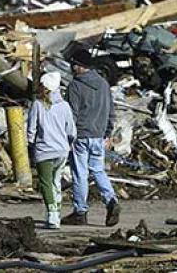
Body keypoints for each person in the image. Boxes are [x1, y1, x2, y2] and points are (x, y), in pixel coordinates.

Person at [62, 48, 120, 227]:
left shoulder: (75, 86)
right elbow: (111, 110)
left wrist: (68, 137)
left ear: (80, 66)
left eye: (74, 64)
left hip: (81, 136)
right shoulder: (103, 84)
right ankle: (111, 200)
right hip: (98, 136)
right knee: (98, 170)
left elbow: (72, 114)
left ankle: (80, 211)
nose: (71, 67)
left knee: (80, 174)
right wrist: (108, 134)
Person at [27, 71, 76, 229]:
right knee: (56, 181)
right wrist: (68, 143)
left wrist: (30, 145)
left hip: (44, 151)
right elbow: (71, 131)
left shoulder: (38, 105)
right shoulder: (64, 106)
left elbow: (31, 129)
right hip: (62, 151)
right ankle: (57, 211)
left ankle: (53, 215)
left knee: (46, 183)